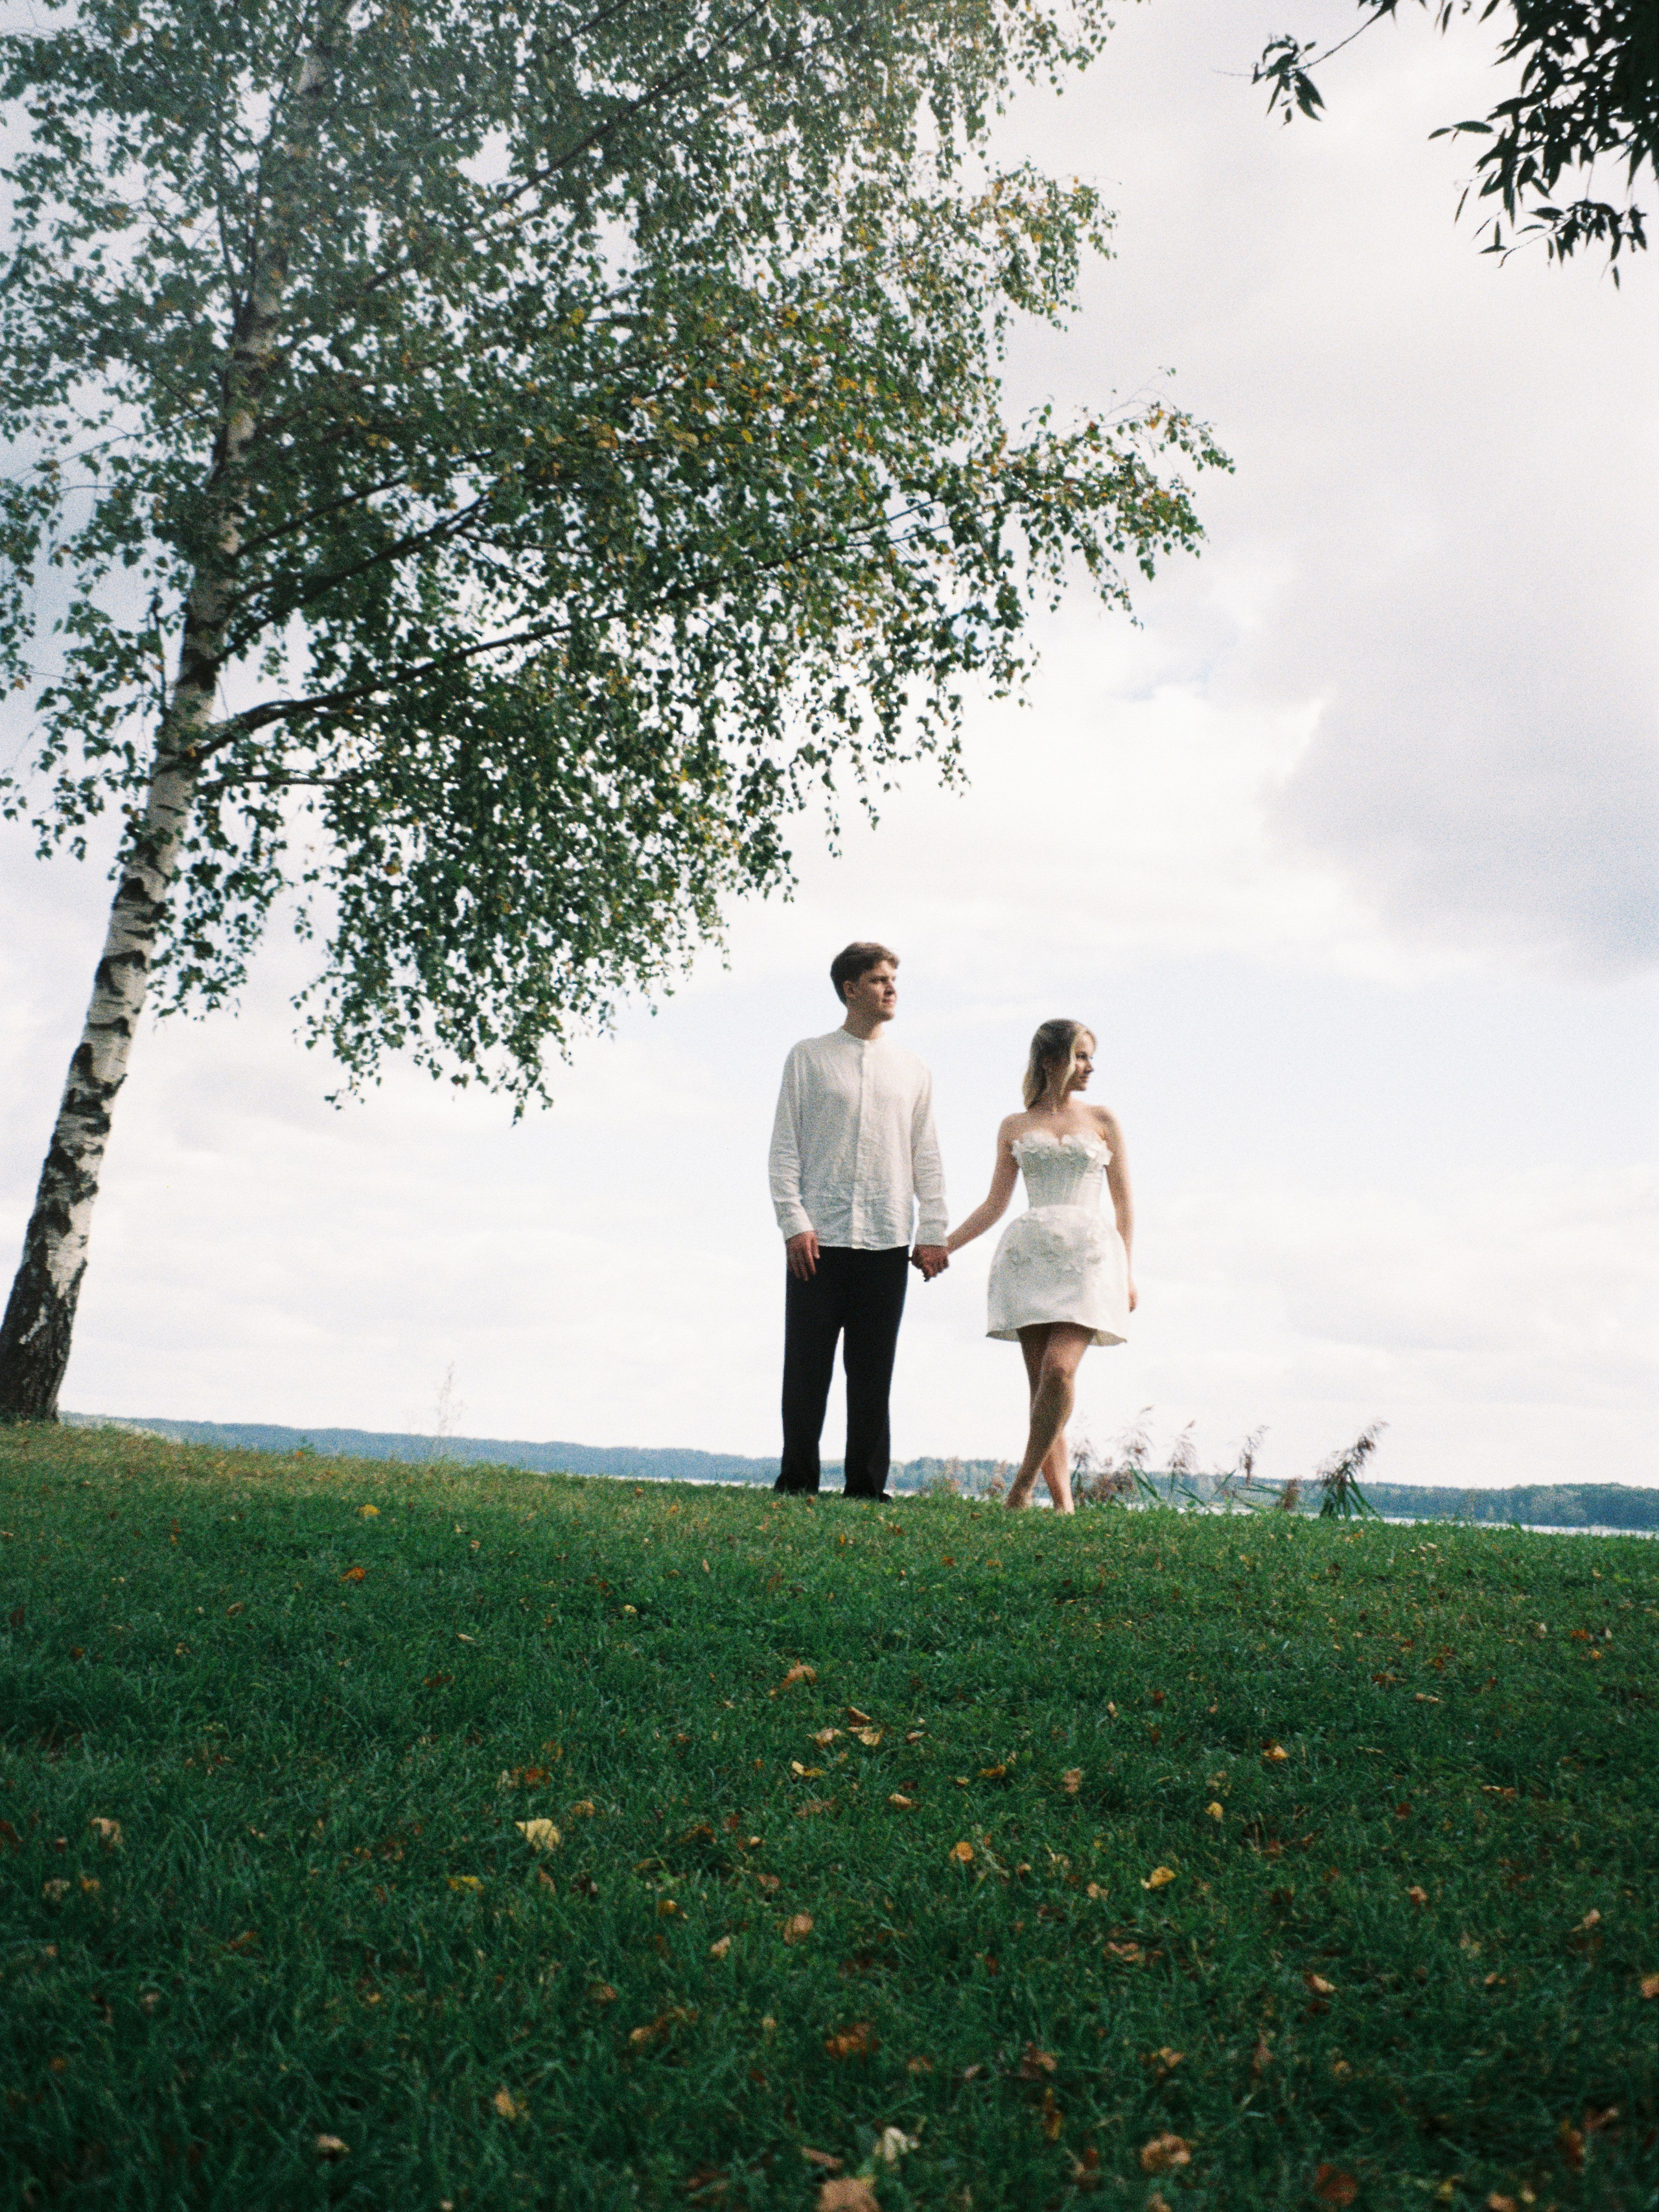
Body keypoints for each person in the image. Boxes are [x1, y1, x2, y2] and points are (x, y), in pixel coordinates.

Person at [768, 943, 949, 1498]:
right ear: (850, 989)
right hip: (817, 1240)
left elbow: (927, 1156)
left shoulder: (914, 1069)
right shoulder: (808, 1057)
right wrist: (794, 1222)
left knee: (872, 1375)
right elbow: (784, 1151)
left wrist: (934, 1231)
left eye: (893, 977)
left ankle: (866, 1487)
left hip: (887, 1239)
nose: (891, 988)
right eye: (878, 979)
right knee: (807, 1371)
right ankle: (798, 1479)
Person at [943, 1019, 1135, 1513]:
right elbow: (993, 1204)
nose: (1090, 1067)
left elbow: (1125, 1208)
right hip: (1029, 1259)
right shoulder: (1015, 1125)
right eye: (1082, 1056)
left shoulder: (1103, 1119)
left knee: (1059, 1372)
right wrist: (944, 1246)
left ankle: (1021, 1487)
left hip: (1089, 1259)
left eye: (1092, 1057)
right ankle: (1065, 1505)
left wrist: (1128, 1273)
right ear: (1052, 1060)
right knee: (1041, 1392)